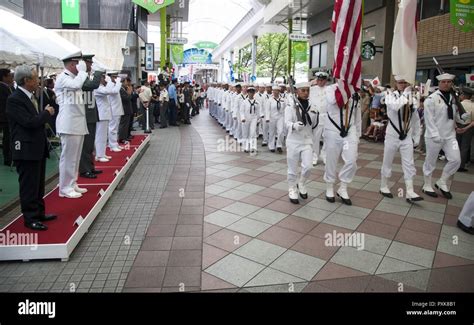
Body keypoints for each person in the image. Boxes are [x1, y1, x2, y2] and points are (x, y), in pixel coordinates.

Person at [6, 65, 57, 230]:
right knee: (29, 184)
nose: (38, 81)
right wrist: (46, 113)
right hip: (25, 148)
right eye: (35, 78)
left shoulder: (31, 97)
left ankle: (39, 212)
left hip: (37, 147)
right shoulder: (15, 99)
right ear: (26, 80)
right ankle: (30, 217)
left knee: (38, 183)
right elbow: (29, 122)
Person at [379, 76, 423, 202]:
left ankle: (410, 191)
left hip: (406, 136)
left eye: (405, 82)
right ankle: (384, 186)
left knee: (409, 163)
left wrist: (416, 136)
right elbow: (395, 107)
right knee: (387, 161)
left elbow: (415, 119)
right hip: (392, 135)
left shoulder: (412, 98)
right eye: (400, 83)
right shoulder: (389, 95)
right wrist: (407, 93)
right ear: (396, 84)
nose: (403, 85)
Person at [422, 73, 462, 199]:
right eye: (443, 82)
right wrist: (434, 134)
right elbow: (429, 119)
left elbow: (454, 116)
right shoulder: (431, 99)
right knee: (430, 162)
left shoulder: (454, 98)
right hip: (434, 136)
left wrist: (462, 118)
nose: (446, 84)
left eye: (449, 82)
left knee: (456, 160)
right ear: (439, 83)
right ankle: (427, 185)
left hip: (450, 136)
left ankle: (442, 181)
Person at [55, 54, 89, 199]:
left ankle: (72, 182)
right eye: (77, 63)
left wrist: (81, 73)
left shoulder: (73, 78)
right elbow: (76, 86)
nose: (80, 66)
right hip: (68, 124)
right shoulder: (63, 78)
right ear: (71, 65)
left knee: (75, 157)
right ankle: (64, 188)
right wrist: (82, 72)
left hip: (76, 123)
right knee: (68, 157)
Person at [324, 86, 362, 206]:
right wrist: (344, 89)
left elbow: (357, 114)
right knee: (332, 160)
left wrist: (358, 134)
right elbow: (332, 100)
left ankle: (343, 187)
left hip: (349, 131)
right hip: (333, 130)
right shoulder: (330, 89)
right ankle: (329, 186)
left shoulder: (354, 91)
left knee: (351, 160)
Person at [285, 82, 319, 204]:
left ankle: (302, 182)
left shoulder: (313, 107)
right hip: (293, 141)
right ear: (297, 92)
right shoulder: (291, 106)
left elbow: (314, 126)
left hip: (306, 141)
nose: (305, 93)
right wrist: (294, 125)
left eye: (307, 91)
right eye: (303, 90)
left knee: (308, 166)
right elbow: (287, 122)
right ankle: (292, 188)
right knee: (292, 168)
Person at [79, 54, 104, 179]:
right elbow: (93, 84)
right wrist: (99, 71)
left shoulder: (85, 76)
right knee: (85, 145)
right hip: (85, 115)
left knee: (90, 144)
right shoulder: (81, 77)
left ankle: (90, 167)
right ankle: (84, 170)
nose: (90, 66)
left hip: (90, 114)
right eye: (89, 63)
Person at [94, 74, 115, 162]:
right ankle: (99, 155)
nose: (104, 79)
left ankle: (102, 153)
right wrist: (110, 81)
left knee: (103, 136)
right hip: (101, 114)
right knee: (100, 135)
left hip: (104, 114)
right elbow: (108, 91)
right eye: (103, 77)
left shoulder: (102, 86)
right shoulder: (97, 87)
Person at [309, 72, 329, 166]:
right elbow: (300, 89)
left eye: (322, 80)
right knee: (315, 138)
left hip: (327, 117)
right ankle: (314, 157)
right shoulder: (312, 89)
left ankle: (324, 156)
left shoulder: (329, 89)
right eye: (319, 80)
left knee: (327, 138)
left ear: (325, 80)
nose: (320, 82)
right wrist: (311, 83)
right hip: (316, 117)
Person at [456, 87, 474, 172]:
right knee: (465, 147)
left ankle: (453, 163)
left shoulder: (458, 104)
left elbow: (453, 118)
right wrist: (466, 128)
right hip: (468, 127)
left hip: (458, 126)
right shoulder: (473, 106)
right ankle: (461, 166)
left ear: (463, 95)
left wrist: (457, 127)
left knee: (456, 145)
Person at [240, 86, 261, 153]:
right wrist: (242, 118)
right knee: (245, 133)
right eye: (249, 92)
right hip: (246, 118)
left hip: (253, 118)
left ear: (254, 93)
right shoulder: (244, 102)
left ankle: (253, 147)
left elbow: (258, 112)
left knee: (253, 132)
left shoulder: (257, 102)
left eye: (252, 92)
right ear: (247, 93)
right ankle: (246, 147)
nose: (251, 93)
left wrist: (258, 120)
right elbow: (241, 111)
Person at [106, 73, 124, 152]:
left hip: (117, 109)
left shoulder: (115, 84)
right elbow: (115, 91)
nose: (116, 78)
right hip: (113, 109)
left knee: (116, 128)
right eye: (114, 77)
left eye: (116, 77)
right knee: (112, 128)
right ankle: (112, 145)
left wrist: (117, 83)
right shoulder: (110, 85)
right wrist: (118, 83)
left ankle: (115, 143)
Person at [0, 68, 14, 166]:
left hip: (5, 117)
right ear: (4, 77)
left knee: (7, 138)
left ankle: (9, 157)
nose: (11, 77)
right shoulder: (2, 88)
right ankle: (8, 159)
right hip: (4, 117)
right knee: (7, 138)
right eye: (9, 75)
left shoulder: (8, 87)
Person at [265, 85, 285, 153]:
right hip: (272, 117)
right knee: (272, 132)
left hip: (280, 117)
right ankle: (271, 146)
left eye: (277, 91)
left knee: (281, 131)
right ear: (272, 91)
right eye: (274, 91)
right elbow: (267, 110)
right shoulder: (269, 100)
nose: (275, 92)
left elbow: (285, 109)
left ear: (279, 92)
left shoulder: (283, 100)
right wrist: (267, 118)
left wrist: (286, 118)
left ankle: (279, 145)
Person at [119, 77, 133, 142]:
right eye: (126, 82)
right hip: (124, 109)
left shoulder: (124, 89)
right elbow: (126, 98)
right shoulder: (121, 90)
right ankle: (122, 137)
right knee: (124, 124)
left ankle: (125, 136)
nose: (127, 84)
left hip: (127, 109)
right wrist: (129, 93)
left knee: (126, 124)